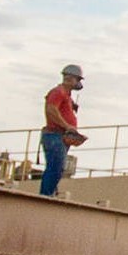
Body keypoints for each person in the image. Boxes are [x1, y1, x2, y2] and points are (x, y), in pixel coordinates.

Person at [40, 64, 86, 196]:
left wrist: (71, 105)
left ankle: (50, 193)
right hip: (55, 136)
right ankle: (46, 195)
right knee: (55, 167)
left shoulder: (65, 94)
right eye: (77, 79)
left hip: (60, 137)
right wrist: (67, 126)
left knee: (57, 168)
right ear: (73, 79)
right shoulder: (58, 92)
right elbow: (51, 109)